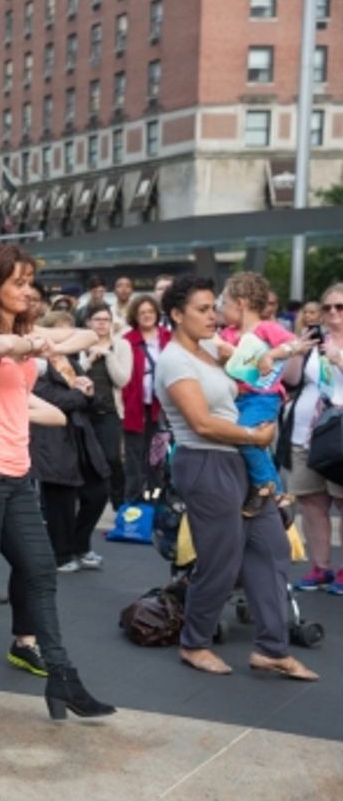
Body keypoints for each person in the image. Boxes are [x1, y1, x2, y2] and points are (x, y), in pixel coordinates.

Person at [0, 243, 116, 720]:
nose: (28, 291)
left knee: (40, 571)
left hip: (18, 474)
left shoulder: (27, 333)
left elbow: (84, 335)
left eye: (29, 282)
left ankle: (62, 678)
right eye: (18, 283)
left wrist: (40, 338)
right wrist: (27, 343)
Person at [154, 275, 318, 681]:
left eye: (214, 307)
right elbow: (203, 423)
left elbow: (260, 366)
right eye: (202, 309)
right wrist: (253, 435)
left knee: (272, 548)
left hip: (242, 461)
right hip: (206, 462)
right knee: (222, 560)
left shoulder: (212, 346)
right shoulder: (174, 360)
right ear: (176, 314)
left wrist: (279, 352)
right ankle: (194, 643)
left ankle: (272, 649)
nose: (213, 316)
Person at [218, 271, 311, 515]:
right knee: (249, 444)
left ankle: (272, 489)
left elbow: (297, 345)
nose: (220, 309)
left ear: (241, 303)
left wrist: (270, 355)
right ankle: (264, 489)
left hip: (263, 397)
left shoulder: (266, 328)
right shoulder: (227, 333)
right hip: (236, 398)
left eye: (224, 303)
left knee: (246, 436)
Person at [32, 312, 112, 573]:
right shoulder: (35, 364)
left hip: (81, 434)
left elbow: (91, 399)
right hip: (52, 437)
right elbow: (52, 398)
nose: (67, 340)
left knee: (98, 491)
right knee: (60, 501)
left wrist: (87, 392)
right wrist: (80, 394)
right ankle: (62, 554)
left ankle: (80, 544)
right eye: (61, 333)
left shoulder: (71, 361)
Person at [282, 284, 343, 591]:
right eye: (327, 307)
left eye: (340, 307)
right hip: (304, 433)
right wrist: (296, 351)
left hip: (339, 436)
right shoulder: (317, 340)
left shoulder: (334, 348)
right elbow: (291, 381)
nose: (332, 313)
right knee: (310, 502)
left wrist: (338, 358)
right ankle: (321, 567)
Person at [79, 301, 131, 508]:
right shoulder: (79, 345)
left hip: (109, 410)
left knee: (112, 457)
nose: (102, 324)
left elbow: (122, 380)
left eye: (106, 320)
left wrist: (108, 355)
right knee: (87, 460)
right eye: (97, 320)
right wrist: (91, 357)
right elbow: (73, 375)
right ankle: (91, 500)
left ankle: (118, 500)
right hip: (84, 410)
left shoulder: (121, 345)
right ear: (88, 322)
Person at [121, 294, 171, 504]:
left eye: (150, 312)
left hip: (162, 410)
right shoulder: (128, 341)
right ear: (135, 315)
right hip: (135, 407)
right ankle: (133, 506)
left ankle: (156, 502)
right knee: (134, 459)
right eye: (142, 313)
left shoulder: (168, 338)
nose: (147, 316)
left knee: (157, 459)